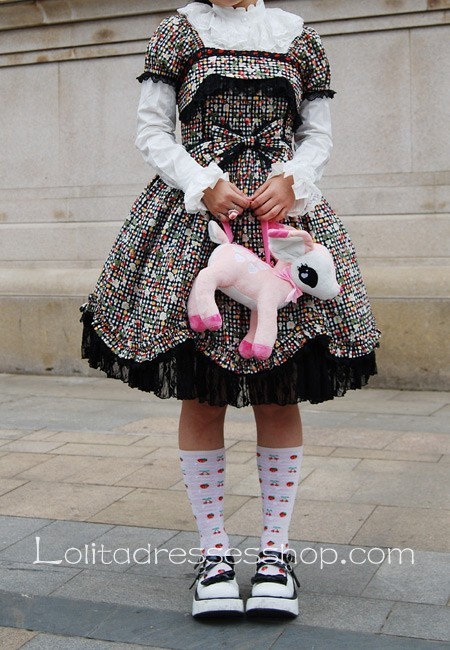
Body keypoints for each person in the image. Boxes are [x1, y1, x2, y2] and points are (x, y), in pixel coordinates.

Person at [80, 0, 380, 619]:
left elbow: (317, 133)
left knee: (280, 391)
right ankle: (213, 554)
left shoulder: (298, 36)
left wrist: (294, 178)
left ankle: (276, 554)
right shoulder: (179, 31)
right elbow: (152, 129)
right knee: (204, 394)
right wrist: (201, 180)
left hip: (282, 222)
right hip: (197, 222)